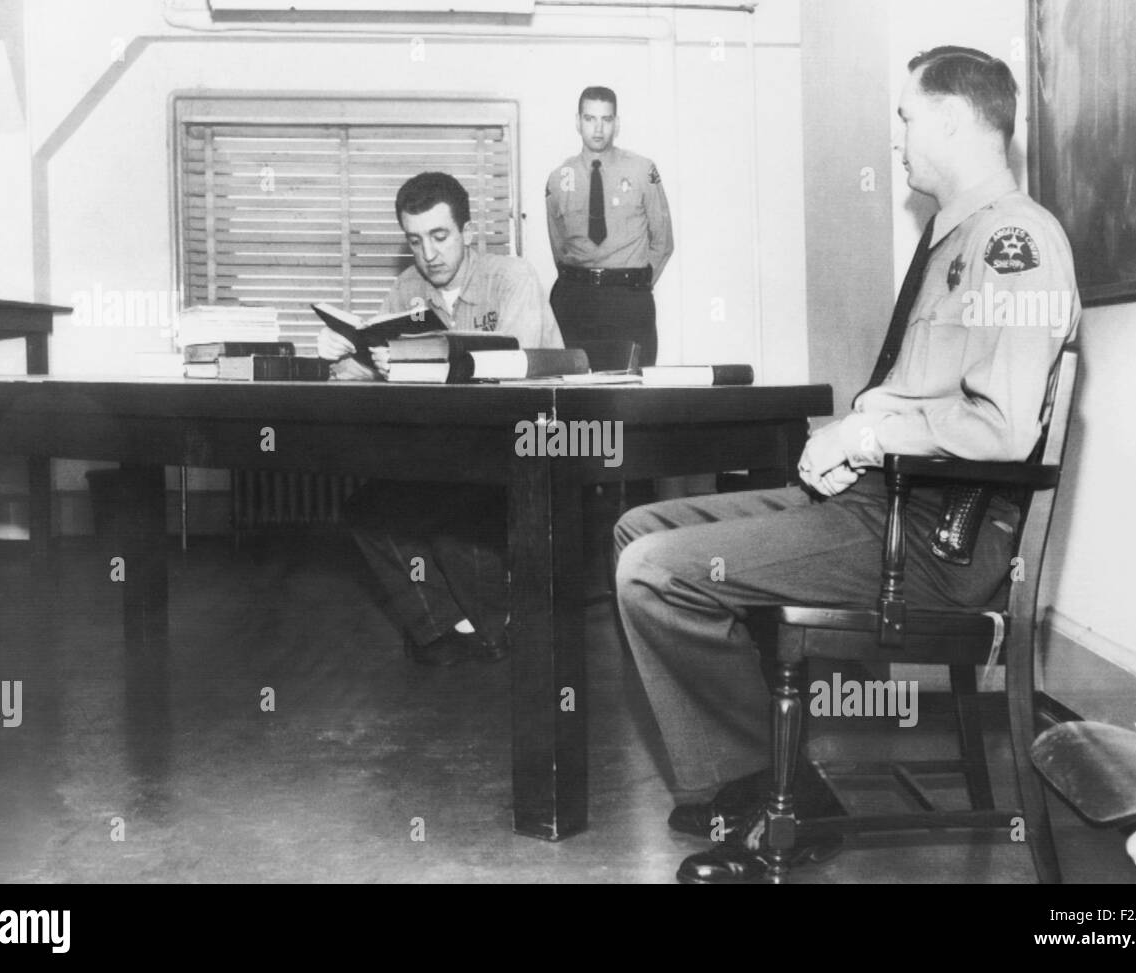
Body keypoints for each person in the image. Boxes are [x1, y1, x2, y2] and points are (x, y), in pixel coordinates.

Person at [613, 46, 1080, 883]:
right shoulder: (954, 238)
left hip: (933, 543)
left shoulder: (1014, 242)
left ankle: (780, 789)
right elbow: (928, 395)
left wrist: (867, 438)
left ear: (948, 117)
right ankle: (755, 768)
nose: (897, 135)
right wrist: (861, 425)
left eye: (906, 116)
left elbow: (1005, 428)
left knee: (654, 571)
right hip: (880, 509)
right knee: (637, 528)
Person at [317, 171, 564, 667]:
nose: (428, 254)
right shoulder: (407, 289)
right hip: (451, 454)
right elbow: (376, 377)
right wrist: (345, 361)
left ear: (467, 233)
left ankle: (492, 629)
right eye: (415, 240)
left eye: (440, 235)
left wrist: (418, 367)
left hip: (531, 448)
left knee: (458, 517)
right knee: (368, 512)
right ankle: (452, 627)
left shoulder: (513, 277)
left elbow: (510, 380)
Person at [545, 86, 673, 367]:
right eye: (590, 119)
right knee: (575, 391)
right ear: (578, 122)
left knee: (631, 393)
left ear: (617, 123)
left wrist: (637, 285)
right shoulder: (558, 179)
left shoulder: (642, 171)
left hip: (628, 301)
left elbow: (663, 241)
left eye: (606, 119)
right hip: (576, 302)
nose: (598, 129)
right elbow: (559, 248)